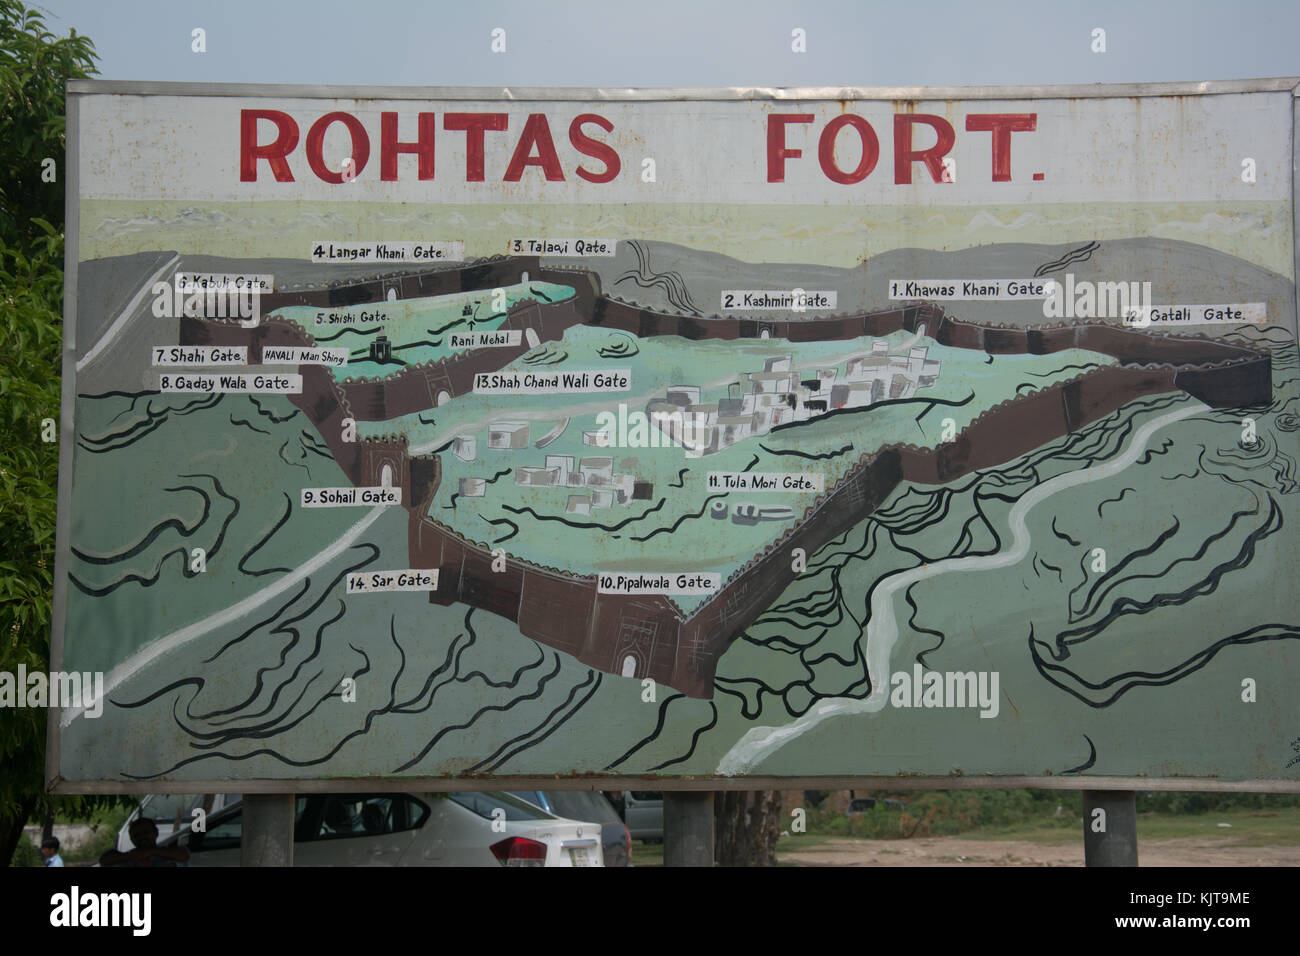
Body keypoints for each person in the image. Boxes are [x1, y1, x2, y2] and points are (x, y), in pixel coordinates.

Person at [98, 818, 190, 867]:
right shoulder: (127, 858)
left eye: (146, 832)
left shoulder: (169, 853)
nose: (142, 837)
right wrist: (132, 856)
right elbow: (104, 859)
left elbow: (183, 855)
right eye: (136, 835)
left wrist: (151, 852)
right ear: (131, 839)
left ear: (155, 832)